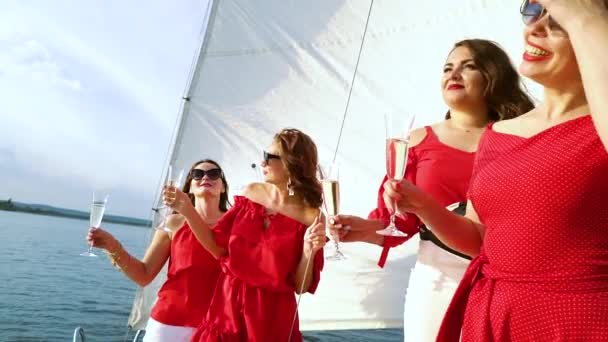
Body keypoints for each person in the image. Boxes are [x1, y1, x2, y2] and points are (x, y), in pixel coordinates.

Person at [382, 1, 608, 340]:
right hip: (494, 316)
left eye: (560, 18)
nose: (535, 28)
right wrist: (422, 205)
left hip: (577, 320)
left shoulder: (599, 129)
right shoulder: (498, 135)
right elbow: (479, 238)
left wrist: (584, 16)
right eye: (534, 10)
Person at [330, 38, 534, 341]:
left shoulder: (522, 137)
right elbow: (399, 224)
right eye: (447, 68)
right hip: (438, 282)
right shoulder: (416, 142)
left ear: (493, 76)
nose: (453, 75)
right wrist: (362, 228)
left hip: (508, 280)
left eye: (468, 67)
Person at [163, 128, 327, 342]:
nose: (262, 163)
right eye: (263, 156)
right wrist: (187, 209)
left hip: (271, 318)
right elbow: (216, 246)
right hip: (226, 307)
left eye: (270, 157)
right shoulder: (251, 193)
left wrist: (308, 252)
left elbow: (301, 285)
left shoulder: (311, 216)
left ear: (291, 162)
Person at [87, 159, 229, 342]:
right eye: (197, 174)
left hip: (220, 327)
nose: (205, 177)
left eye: (214, 173)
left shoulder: (238, 224)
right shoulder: (173, 224)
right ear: (190, 188)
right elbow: (144, 275)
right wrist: (112, 246)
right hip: (169, 324)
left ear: (223, 187)